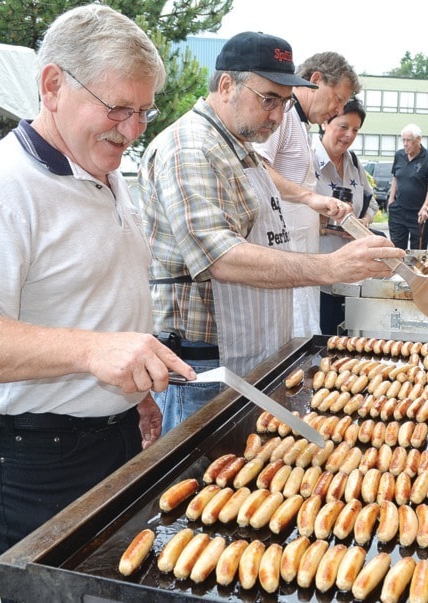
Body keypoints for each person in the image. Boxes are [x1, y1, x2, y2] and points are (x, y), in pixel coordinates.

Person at [0, 4, 194, 565]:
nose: (134, 129)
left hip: (107, 432)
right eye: (118, 107)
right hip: (32, 454)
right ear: (52, 86)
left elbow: (93, 294)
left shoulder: (105, 172)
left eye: (144, 111)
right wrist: (95, 352)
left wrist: (133, 395)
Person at [139, 31, 404, 435]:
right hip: (202, 366)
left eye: (284, 102)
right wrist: (330, 266)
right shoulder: (191, 148)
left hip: (244, 351)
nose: (279, 115)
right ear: (227, 85)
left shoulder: (237, 145)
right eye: (269, 99)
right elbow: (222, 257)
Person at [254, 51, 360, 338]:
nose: (338, 110)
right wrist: (309, 198)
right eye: (338, 98)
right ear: (316, 79)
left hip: (301, 261)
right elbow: (258, 168)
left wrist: (322, 219)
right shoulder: (283, 116)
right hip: (284, 261)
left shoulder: (301, 125)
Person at [313, 97, 378, 334]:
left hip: (351, 276)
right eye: (343, 127)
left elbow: (372, 203)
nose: (349, 135)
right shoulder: (306, 159)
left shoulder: (353, 162)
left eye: (355, 130)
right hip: (317, 279)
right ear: (324, 124)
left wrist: (363, 223)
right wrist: (322, 222)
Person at [387, 123, 428, 250]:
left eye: (408, 140)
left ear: (418, 140)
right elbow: (395, 178)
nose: (405, 144)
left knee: (418, 252)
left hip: (419, 213)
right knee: (397, 250)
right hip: (398, 210)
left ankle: (415, 271)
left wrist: (425, 207)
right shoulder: (399, 155)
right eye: (403, 140)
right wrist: (391, 201)